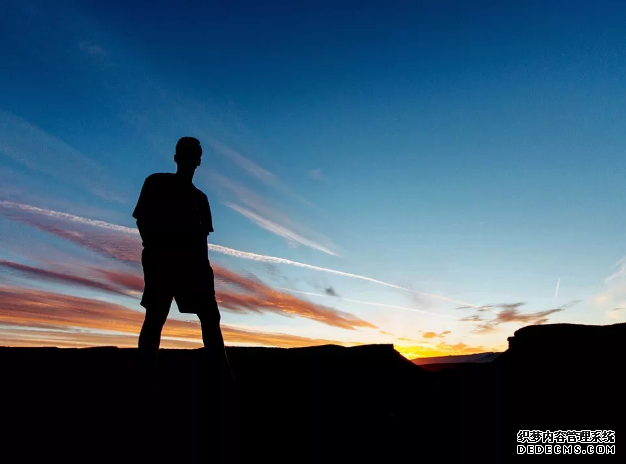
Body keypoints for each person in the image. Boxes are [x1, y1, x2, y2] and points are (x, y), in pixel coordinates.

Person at [133, 136, 235, 395]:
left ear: (198, 161)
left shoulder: (200, 199)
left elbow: (203, 240)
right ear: (177, 157)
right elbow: (143, 220)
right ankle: (146, 383)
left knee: (210, 319)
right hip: (163, 264)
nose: (190, 159)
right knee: (155, 318)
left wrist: (204, 272)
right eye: (186, 154)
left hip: (195, 268)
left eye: (194, 154)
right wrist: (156, 250)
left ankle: (222, 378)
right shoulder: (156, 183)